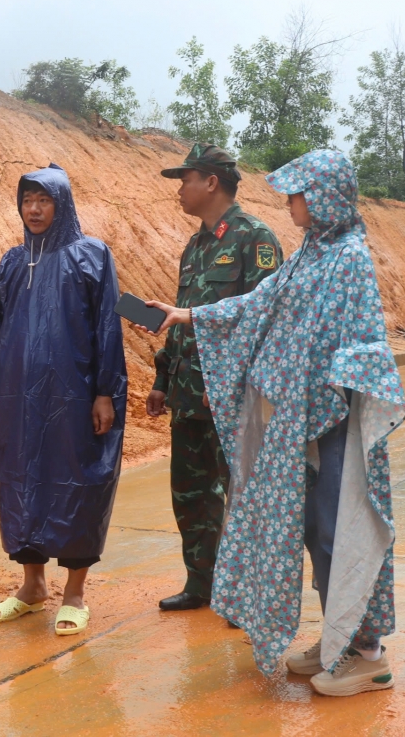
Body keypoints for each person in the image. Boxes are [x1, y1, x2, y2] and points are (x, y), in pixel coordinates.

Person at [142, 150, 405, 696]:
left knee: (340, 527)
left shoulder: (350, 258)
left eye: (297, 193)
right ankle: (339, 638)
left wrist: (327, 385)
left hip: (336, 417)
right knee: (314, 528)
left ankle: (368, 654)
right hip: (302, 419)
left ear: (324, 196)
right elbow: (261, 302)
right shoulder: (312, 252)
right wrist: (188, 314)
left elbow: (363, 342)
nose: (289, 203)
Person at [0, 163, 128, 636]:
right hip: (19, 398)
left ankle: (75, 593)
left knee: (78, 480)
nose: (34, 209)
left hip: (74, 394)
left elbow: (108, 327)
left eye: (43, 200)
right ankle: (32, 586)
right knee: (22, 480)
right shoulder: (12, 261)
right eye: (27, 200)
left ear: (61, 204)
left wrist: (104, 392)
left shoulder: (91, 255)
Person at [148, 143, 283, 614]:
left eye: (185, 179)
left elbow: (266, 322)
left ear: (211, 182)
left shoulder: (255, 239)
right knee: (191, 494)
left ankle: (248, 594)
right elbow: (183, 317)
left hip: (232, 399)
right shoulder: (196, 246)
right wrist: (163, 378)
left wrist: (240, 385)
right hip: (188, 394)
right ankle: (201, 584)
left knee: (243, 496)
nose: (179, 189)